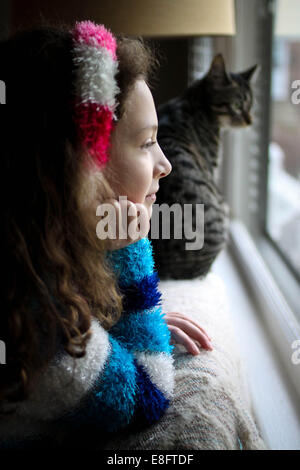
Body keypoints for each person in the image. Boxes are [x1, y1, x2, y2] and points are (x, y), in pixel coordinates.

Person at [0, 20, 213, 449]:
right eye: (146, 142)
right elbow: (148, 394)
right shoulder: (41, 327)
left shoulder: (34, 263)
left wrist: (126, 331)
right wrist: (132, 265)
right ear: (80, 170)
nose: (165, 164)